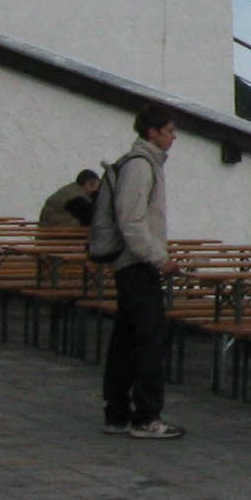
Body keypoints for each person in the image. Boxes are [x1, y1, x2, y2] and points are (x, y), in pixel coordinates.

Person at [101, 108, 184, 441]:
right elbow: (131, 221)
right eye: (169, 130)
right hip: (136, 264)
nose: (173, 136)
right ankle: (147, 416)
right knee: (149, 340)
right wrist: (158, 257)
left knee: (126, 340)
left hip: (132, 263)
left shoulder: (143, 163)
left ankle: (117, 413)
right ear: (153, 132)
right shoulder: (140, 165)